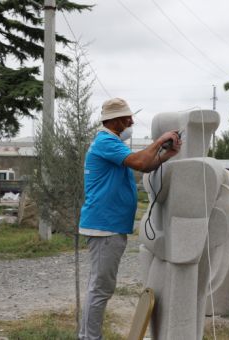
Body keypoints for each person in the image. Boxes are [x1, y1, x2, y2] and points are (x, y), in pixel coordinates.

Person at [78, 98, 182, 340]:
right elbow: (139, 161)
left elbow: (145, 166)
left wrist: (167, 155)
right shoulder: (107, 141)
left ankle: (87, 335)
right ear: (113, 120)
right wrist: (159, 142)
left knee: (100, 287)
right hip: (105, 226)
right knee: (101, 288)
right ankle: (89, 337)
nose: (131, 122)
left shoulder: (110, 143)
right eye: (127, 118)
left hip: (108, 225)